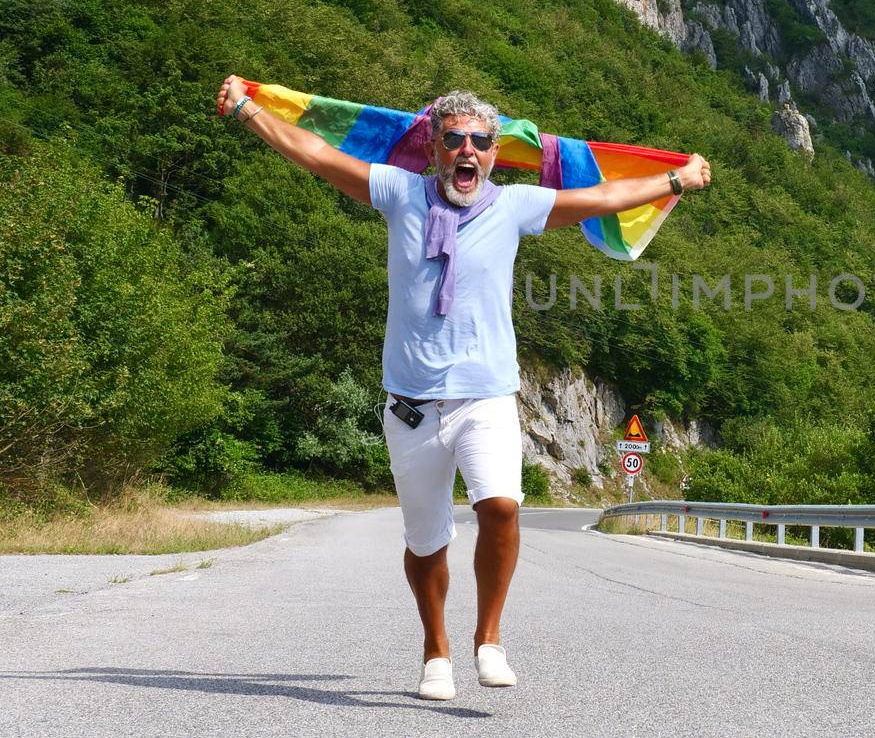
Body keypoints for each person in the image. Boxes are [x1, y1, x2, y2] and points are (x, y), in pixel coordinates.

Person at [214, 76, 711, 700]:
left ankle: (488, 640)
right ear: (434, 149)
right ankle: (435, 651)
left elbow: (605, 196)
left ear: (495, 154)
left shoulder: (515, 206)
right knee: (426, 543)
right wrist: (250, 111)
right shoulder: (399, 193)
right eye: (455, 140)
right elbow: (317, 154)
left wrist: (675, 181)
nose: (467, 150)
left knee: (501, 506)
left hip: (487, 397)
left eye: (480, 141)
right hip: (413, 406)